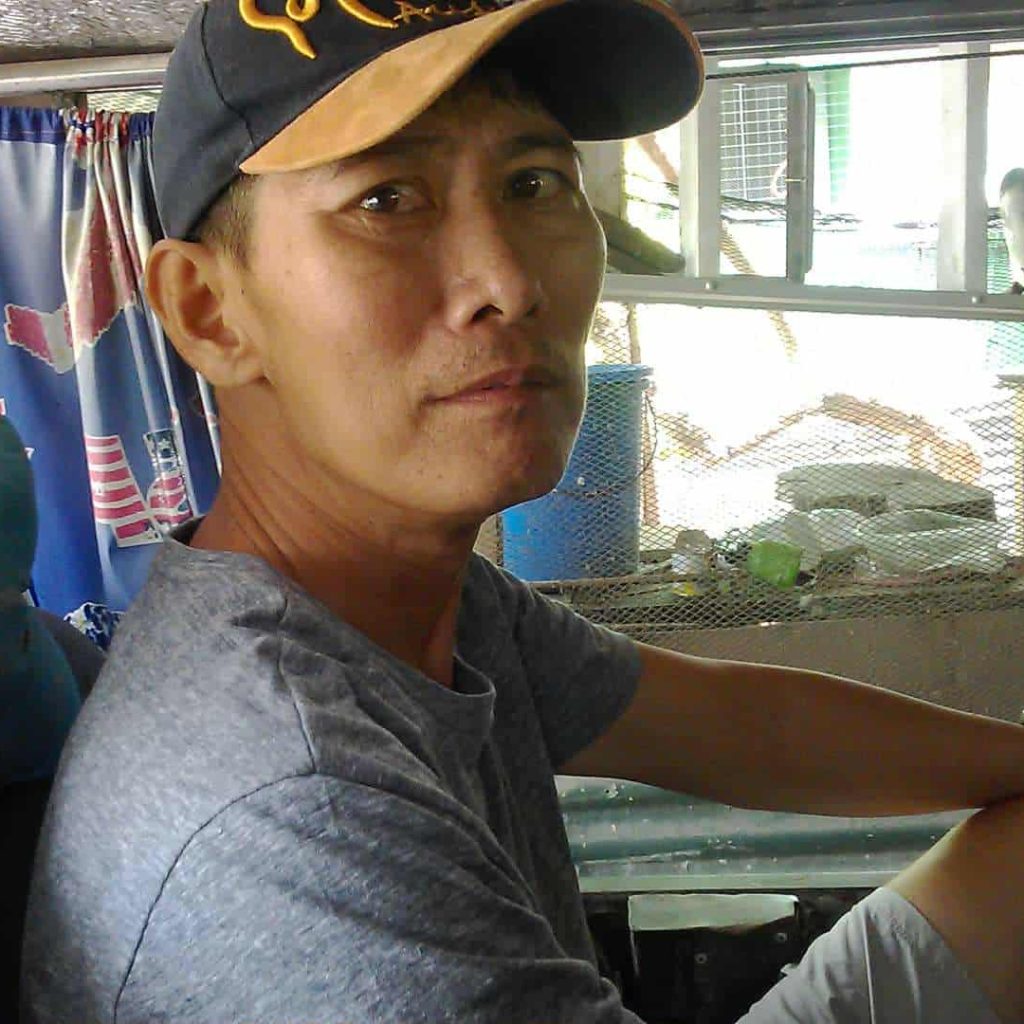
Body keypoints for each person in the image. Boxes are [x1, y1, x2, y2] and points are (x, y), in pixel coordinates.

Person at [19, 1, 1024, 1021]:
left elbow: (748, 726)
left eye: (534, 183)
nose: (509, 280)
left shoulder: (411, 603)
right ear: (207, 312)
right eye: (386, 200)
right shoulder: (294, 806)